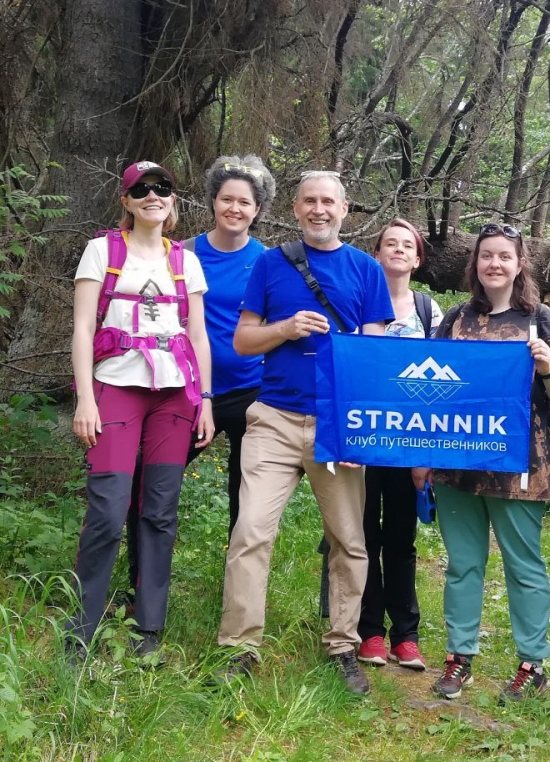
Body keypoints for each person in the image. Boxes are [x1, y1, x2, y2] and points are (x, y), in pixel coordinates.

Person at [216, 170, 394, 695]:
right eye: (309, 201)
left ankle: (343, 645)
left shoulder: (365, 270)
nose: (319, 209)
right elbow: (244, 341)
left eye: (328, 202)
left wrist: (360, 434)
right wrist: (285, 329)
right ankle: (239, 647)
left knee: (349, 541)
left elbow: (375, 359)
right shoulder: (271, 264)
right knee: (250, 531)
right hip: (272, 418)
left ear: (344, 209)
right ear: (295, 209)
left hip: (336, 426)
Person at [413, 222, 550, 702]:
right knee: (463, 565)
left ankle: (532, 663)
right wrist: (421, 456)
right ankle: (459, 657)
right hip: (457, 463)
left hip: (520, 464)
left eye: (504, 256)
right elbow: (430, 392)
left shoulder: (540, 318)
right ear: (475, 263)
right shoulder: (456, 319)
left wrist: (546, 366)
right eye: (486, 256)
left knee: (524, 564)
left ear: (519, 262)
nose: (495, 264)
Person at [68, 161, 213, 661]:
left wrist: (207, 401)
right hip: (115, 388)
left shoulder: (185, 260)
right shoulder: (102, 251)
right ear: (127, 201)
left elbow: (197, 336)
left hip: (174, 395)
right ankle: (81, 626)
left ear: (173, 200)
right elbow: (84, 329)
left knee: (160, 511)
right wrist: (85, 398)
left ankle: (147, 627)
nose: (154, 195)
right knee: (108, 509)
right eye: (142, 189)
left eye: (163, 189)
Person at [126, 156, 275, 595]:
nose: (235, 208)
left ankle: (238, 593)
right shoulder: (182, 252)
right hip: (188, 393)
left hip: (252, 391)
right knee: (148, 481)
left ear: (257, 210)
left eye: (244, 202)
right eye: (226, 198)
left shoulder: (267, 262)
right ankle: (142, 585)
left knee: (247, 501)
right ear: (212, 201)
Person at [356, 218, 443, 671]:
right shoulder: (356, 304)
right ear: (377, 253)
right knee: (362, 535)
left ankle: (405, 636)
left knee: (401, 539)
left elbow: (447, 385)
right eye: (388, 243)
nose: (397, 250)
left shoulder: (430, 313)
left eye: (406, 245)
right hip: (364, 437)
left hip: (410, 442)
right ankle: (369, 632)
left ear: (417, 257)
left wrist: (427, 453)